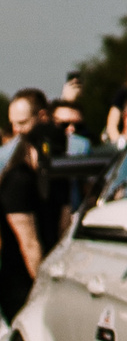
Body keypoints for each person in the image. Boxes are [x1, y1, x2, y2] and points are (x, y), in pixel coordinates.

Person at [0, 121, 55, 321]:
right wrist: (44, 292)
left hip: (29, 279)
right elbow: (29, 243)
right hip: (22, 284)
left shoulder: (40, 178)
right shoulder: (19, 180)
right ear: (31, 148)